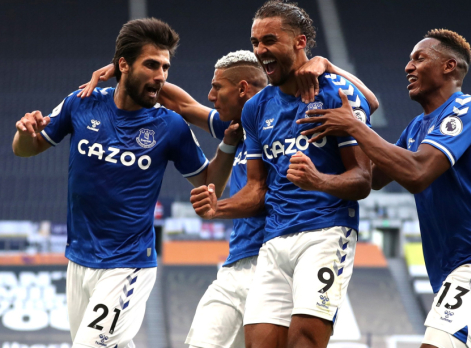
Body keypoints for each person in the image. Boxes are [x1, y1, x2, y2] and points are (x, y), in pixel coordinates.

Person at [79, 48, 379, 348]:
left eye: (216, 88)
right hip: (236, 264)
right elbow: (179, 104)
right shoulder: (235, 125)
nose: (210, 96)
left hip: (277, 259)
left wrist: (328, 66)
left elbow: (369, 102)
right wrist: (126, 72)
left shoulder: (292, 119)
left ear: (242, 89)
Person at [12, 18, 238, 348]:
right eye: (151, 65)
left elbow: (207, 182)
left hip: (128, 265)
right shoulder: (82, 101)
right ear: (123, 65)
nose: (160, 75)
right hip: (78, 260)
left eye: (165, 67)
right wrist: (23, 133)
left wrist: (229, 146)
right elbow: (27, 149)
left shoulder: (170, 126)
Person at [298, 29, 471, 348]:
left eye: (419, 58)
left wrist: (353, 125)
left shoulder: (467, 108)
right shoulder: (416, 128)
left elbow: (418, 173)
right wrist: (334, 73)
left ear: (449, 66)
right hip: (448, 273)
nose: (408, 67)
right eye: (409, 60)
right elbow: (373, 177)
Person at [190, 0, 373, 348]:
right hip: (273, 241)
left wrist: (318, 180)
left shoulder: (337, 93)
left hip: (326, 231)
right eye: (256, 42)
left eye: (269, 40)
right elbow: (257, 189)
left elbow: (363, 180)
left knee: (304, 341)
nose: (260, 50)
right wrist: (218, 208)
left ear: (299, 42)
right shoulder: (256, 109)